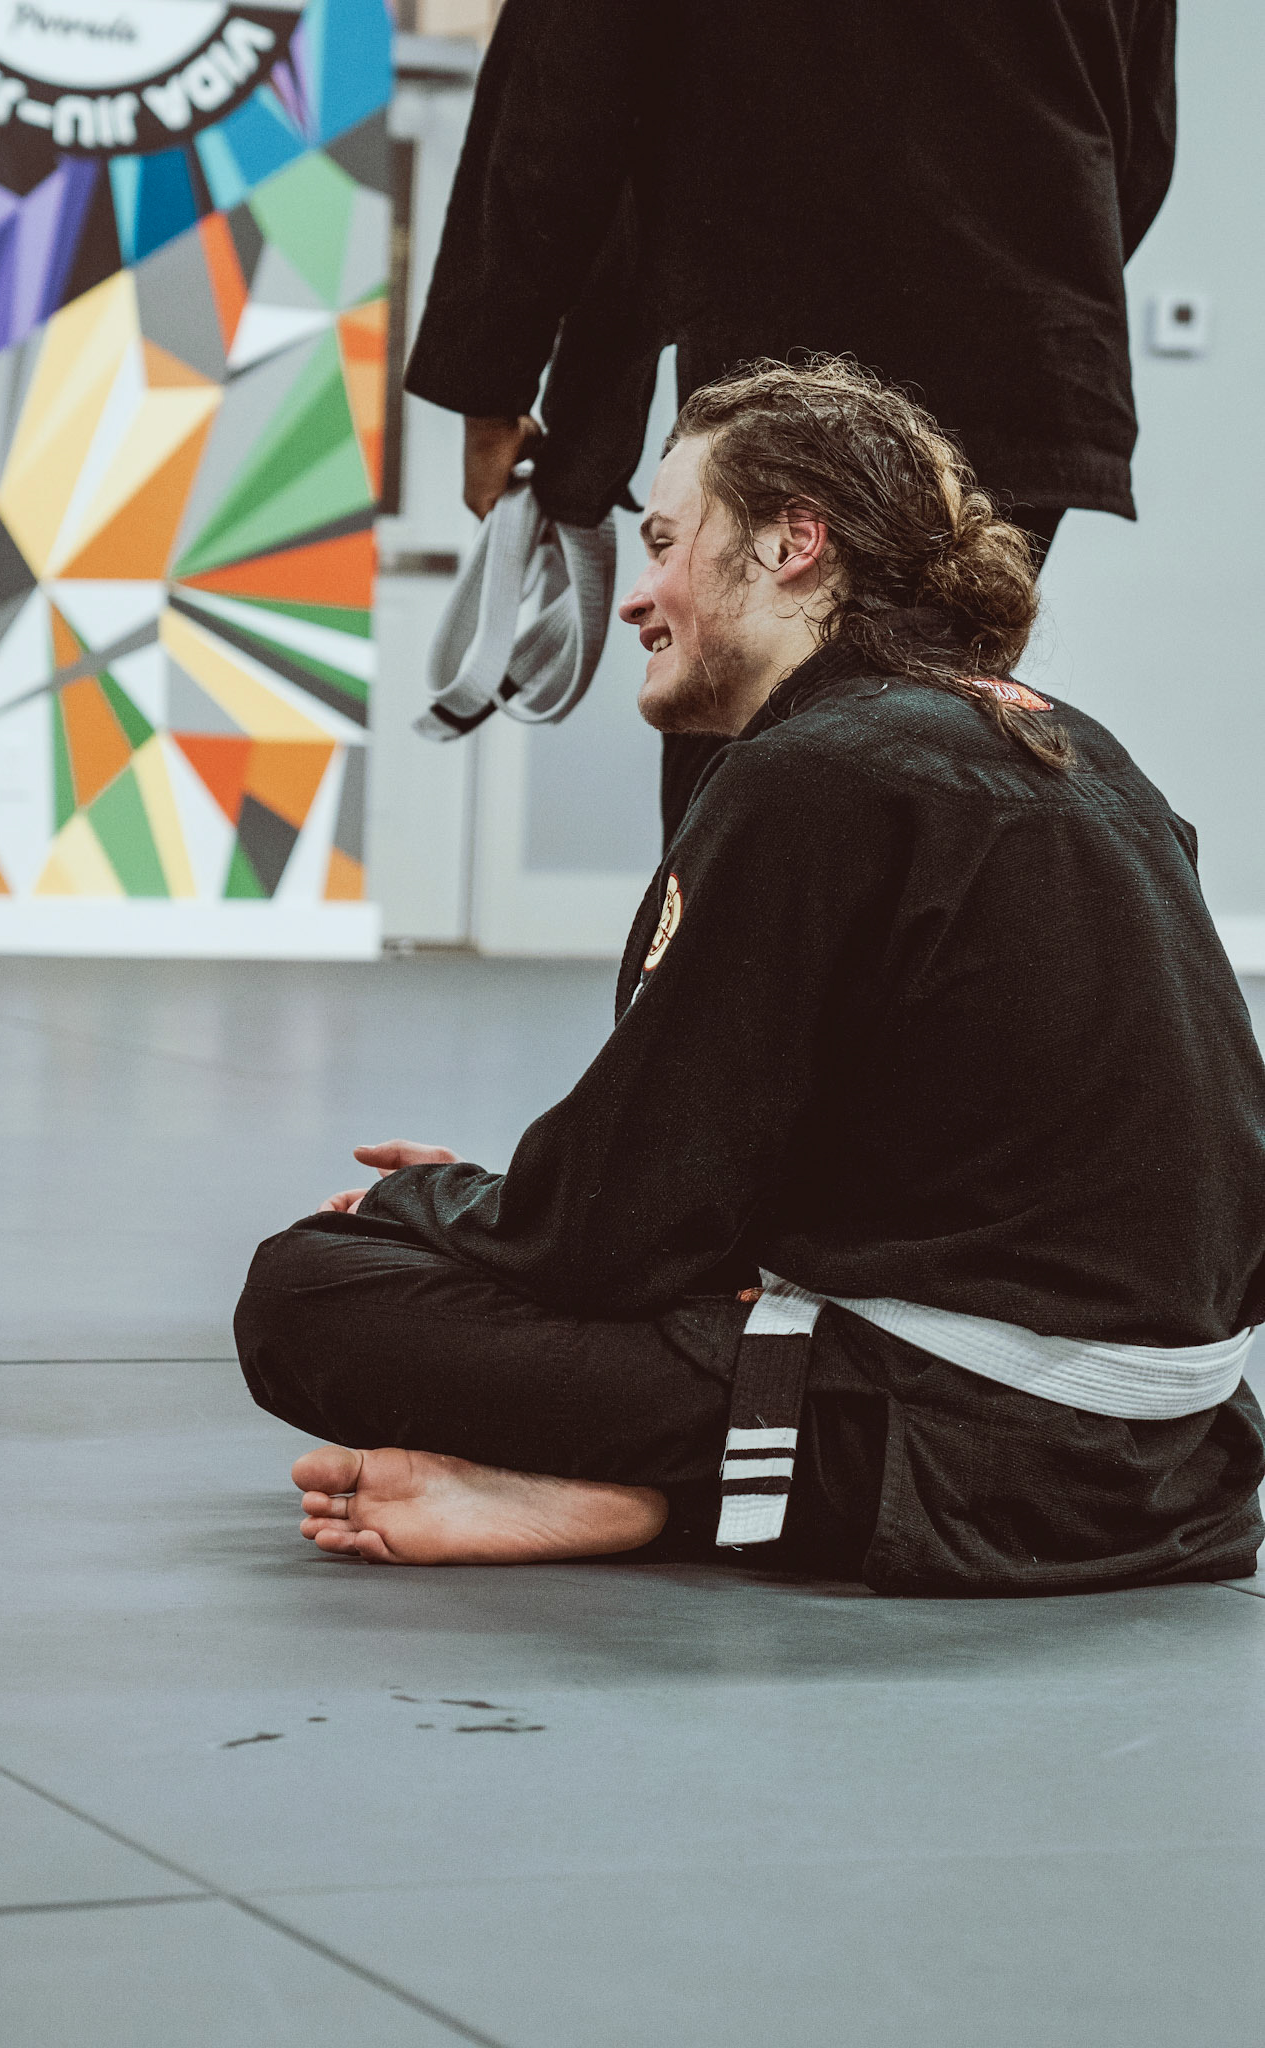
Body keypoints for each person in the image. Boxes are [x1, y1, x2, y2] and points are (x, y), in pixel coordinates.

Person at [236, 359, 1265, 1595]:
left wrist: (430, 1202)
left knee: (311, 1287)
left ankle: (661, 1492)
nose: (638, 596)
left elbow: (610, 1231)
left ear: (793, 545)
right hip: (1183, 1466)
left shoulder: (812, 772)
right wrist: (514, 1207)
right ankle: (655, 1489)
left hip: (964, 1448)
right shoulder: (1077, 746)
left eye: (666, 541)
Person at [401, 0, 1177, 843]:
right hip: (1019, 346)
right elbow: (1140, 131)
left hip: (783, 334)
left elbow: (557, 85)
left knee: (758, 753)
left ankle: (735, 931)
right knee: (929, 751)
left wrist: (491, 387)